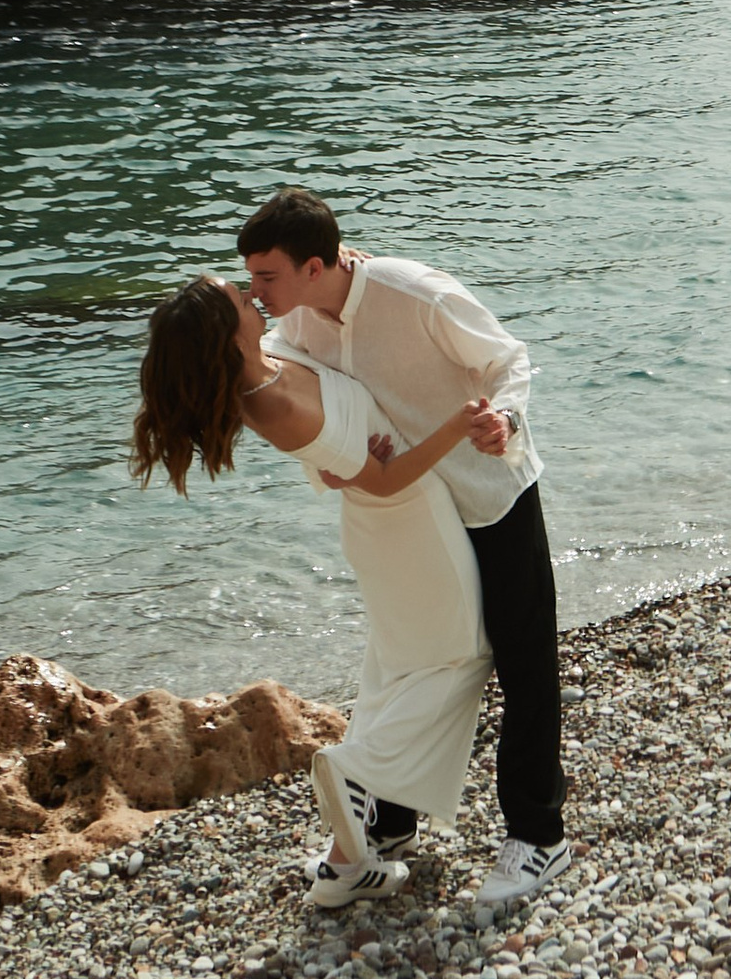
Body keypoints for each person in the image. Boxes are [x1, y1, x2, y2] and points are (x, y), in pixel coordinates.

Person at [238, 187, 567, 915]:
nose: (254, 293)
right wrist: (325, 458)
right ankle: (388, 829)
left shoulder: (414, 294)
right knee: (412, 654)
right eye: (252, 279)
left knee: (523, 664)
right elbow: (310, 395)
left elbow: (508, 359)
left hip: (490, 492)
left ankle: (539, 835)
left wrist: (504, 419)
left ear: (317, 266)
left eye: (266, 277)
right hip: (414, 510)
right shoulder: (294, 319)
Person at [130, 274, 502, 912]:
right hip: (410, 519)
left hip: (380, 527)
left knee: (396, 666)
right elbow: (382, 479)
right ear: (224, 332)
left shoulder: (269, 361)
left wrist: (334, 464)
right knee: (462, 657)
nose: (252, 294)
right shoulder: (266, 398)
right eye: (237, 298)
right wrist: (455, 428)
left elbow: (334, 444)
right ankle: (356, 770)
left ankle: (346, 859)